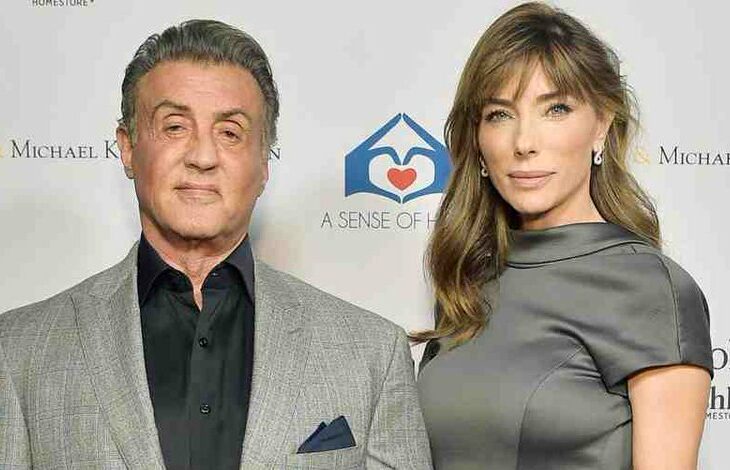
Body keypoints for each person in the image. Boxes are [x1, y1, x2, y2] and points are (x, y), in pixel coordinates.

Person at [0, 20, 431, 469]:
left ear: (264, 162)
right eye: (174, 127)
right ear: (127, 148)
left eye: (230, 132)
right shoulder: (19, 351)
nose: (203, 157)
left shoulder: (371, 352)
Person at [415, 3, 712, 469]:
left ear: (602, 124)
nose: (524, 143)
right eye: (499, 114)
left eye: (556, 109)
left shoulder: (651, 290)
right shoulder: (468, 282)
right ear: (477, 138)